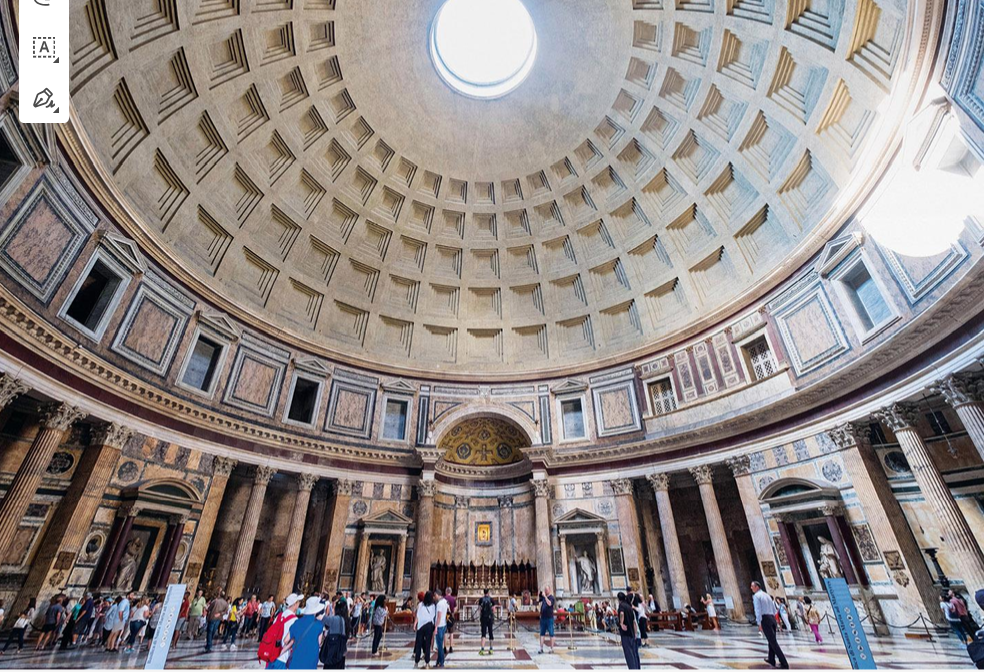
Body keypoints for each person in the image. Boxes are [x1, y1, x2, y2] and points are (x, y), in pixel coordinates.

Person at [752, 582, 788, 669]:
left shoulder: (756, 596)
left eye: (752, 586)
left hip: (765, 619)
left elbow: (758, 610)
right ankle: (771, 659)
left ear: (757, 587)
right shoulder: (767, 595)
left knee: (773, 642)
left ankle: (784, 663)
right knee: (771, 640)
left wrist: (759, 622)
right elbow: (774, 609)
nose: (751, 588)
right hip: (772, 618)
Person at [264, 593, 302, 670]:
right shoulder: (295, 620)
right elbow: (291, 640)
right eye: (298, 602)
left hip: (272, 653)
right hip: (282, 657)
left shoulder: (279, 615)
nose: (299, 604)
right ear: (295, 604)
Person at [284, 596, 324, 669]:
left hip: (296, 658)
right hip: (311, 660)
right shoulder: (319, 625)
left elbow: (286, 640)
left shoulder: (297, 622)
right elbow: (318, 643)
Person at [319, 598, 349, 670]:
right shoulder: (347, 620)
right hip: (341, 651)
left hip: (332, 651)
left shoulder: (336, 619)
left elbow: (322, 618)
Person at [412, 590, 436, 669]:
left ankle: (416, 663)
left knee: (418, 644)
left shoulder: (420, 605)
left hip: (420, 626)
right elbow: (433, 616)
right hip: (429, 626)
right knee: (427, 645)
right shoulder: (433, 606)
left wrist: (415, 624)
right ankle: (427, 663)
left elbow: (417, 616)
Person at [617, 592, 640, 670]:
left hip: (625, 633)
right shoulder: (629, 607)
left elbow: (622, 613)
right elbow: (634, 622)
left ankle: (632, 668)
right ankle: (637, 668)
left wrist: (621, 623)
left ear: (618, 599)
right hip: (632, 633)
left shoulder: (621, 605)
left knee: (628, 654)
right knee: (634, 653)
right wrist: (635, 633)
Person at [205, 589, 229, 653]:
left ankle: (209, 645)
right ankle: (209, 644)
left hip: (212, 617)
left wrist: (208, 609)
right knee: (213, 631)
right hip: (219, 618)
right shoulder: (226, 603)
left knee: (210, 631)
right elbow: (226, 611)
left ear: (219, 595)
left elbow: (209, 608)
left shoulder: (215, 601)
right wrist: (220, 614)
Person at [538, 585, 556, 655]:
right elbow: (537, 601)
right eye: (545, 590)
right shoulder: (543, 597)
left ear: (549, 590)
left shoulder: (551, 598)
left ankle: (552, 648)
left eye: (546, 590)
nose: (545, 591)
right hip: (543, 618)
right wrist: (538, 594)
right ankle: (541, 648)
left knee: (551, 633)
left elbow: (549, 604)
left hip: (549, 618)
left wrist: (545, 596)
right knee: (542, 633)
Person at [478, 588, 495, 656]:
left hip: (483, 618)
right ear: (488, 592)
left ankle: (482, 649)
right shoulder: (491, 599)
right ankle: (491, 649)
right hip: (490, 618)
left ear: (483, 592)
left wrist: (481, 615)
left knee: (483, 633)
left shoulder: (481, 599)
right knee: (490, 632)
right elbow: (493, 609)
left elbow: (480, 609)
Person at [434, 589, 449, 666]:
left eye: (435, 595)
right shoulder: (445, 601)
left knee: (439, 645)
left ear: (438, 595)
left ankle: (442, 662)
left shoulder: (439, 604)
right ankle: (438, 661)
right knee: (440, 644)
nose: (434, 597)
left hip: (439, 626)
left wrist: (436, 627)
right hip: (444, 624)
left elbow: (439, 616)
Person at [445, 587, 456, 655]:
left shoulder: (444, 599)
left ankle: (444, 647)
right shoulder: (453, 599)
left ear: (446, 592)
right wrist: (453, 613)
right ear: (451, 592)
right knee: (451, 633)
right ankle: (451, 647)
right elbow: (455, 608)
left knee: (445, 633)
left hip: (445, 616)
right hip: (451, 616)